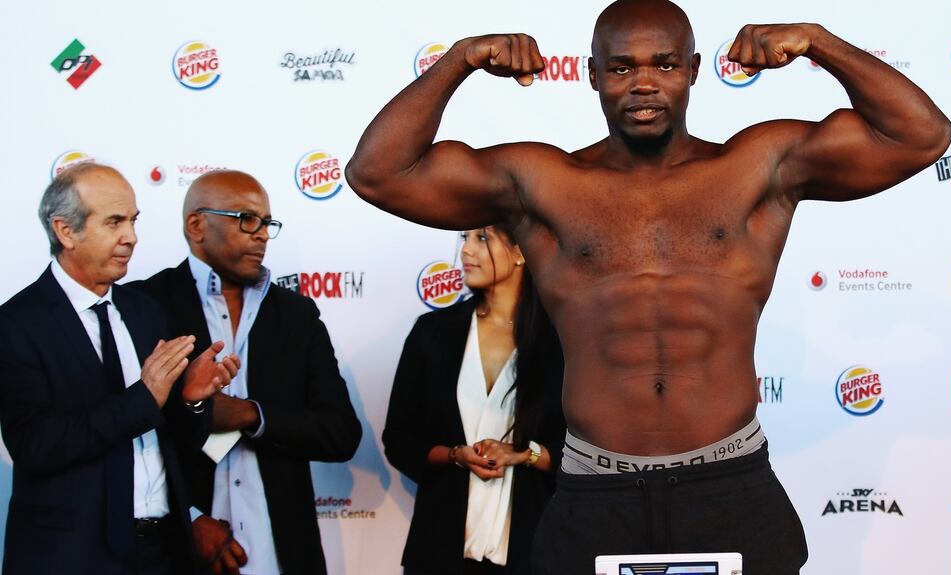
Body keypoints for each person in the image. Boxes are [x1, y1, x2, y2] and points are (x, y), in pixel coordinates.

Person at [345, 0, 951, 573]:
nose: (643, 83)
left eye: (664, 64)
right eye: (621, 67)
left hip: (729, 483)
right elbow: (378, 174)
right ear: (590, 75)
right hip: (593, 493)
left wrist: (820, 43)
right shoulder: (542, 181)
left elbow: (920, 136)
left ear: (692, 71)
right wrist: (459, 60)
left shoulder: (758, 167)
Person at [0, 163, 238, 574]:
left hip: (163, 552)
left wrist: (192, 402)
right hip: (71, 557)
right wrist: (144, 397)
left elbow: (170, 441)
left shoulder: (143, 310)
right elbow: (36, 446)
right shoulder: (17, 324)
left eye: (132, 220)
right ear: (65, 231)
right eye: (114, 222)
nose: (131, 237)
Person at [129, 170, 362, 575]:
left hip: (282, 554)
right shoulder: (143, 305)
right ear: (197, 225)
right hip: (176, 553)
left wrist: (251, 415)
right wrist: (187, 517)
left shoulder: (297, 315)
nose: (262, 235)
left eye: (267, 223)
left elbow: (341, 433)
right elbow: (127, 439)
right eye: (246, 220)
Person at [384, 224, 565, 575]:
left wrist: (523, 454)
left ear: (520, 252)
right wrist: (456, 456)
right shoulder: (431, 332)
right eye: (464, 238)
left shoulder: (559, 340)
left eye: (482, 238)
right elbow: (399, 439)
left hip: (532, 554)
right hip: (439, 554)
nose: (466, 250)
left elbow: (581, 449)